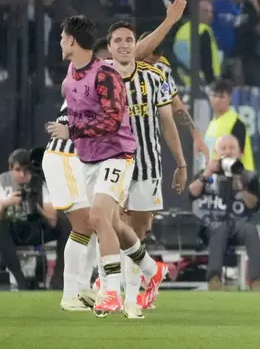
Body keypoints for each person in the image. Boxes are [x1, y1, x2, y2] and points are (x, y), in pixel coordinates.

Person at [46, 15, 167, 318]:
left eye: (63, 37)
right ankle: (151, 269)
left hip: (117, 156)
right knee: (111, 224)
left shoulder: (105, 75)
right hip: (88, 160)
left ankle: (110, 291)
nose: (61, 42)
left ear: (71, 41)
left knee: (97, 216)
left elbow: (112, 120)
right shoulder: (71, 73)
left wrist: (72, 131)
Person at [104, 21, 187, 319]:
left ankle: (130, 297)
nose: (124, 45)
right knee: (113, 224)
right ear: (110, 46)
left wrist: (181, 163)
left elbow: (167, 123)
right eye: (119, 41)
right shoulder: (99, 75)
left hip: (147, 166)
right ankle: (116, 293)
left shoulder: (155, 77)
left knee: (136, 232)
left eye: (129, 39)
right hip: (110, 164)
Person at [42, 99, 99, 311]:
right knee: (84, 225)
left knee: (97, 224)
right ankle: (69, 295)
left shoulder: (108, 77)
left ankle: (83, 287)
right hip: (65, 156)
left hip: (81, 159)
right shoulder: (89, 75)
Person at [188, 135, 260, 291]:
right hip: (211, 224)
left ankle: (257, 281)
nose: (228, 152)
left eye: (232, 148)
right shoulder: (207, 173)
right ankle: (214, 279)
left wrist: (242, 189)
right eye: (223, 148)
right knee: (219, 228)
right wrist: (207, 174)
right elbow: (191, 193)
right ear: (217, 152)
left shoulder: (249, 176)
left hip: (239, 224)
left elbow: (255, 204)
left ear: (240, 153)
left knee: (251, 229)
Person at [0, 149, 69, 291]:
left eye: (26, 170)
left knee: (65, 222)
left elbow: (53, 221)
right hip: (13, 229)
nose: (22, 175)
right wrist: (8, 202)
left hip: (35, 227)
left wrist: (37, 207)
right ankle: (21, 282)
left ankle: (58, 279)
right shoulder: (2, 180)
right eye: (17, 170)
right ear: (10, 169)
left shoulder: (40, 182)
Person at [138, 30, 211, 161]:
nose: (151, 66)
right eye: (148, 61)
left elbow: (176, 103)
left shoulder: (161, 68)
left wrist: (197, 137)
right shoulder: (122, 65)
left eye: (154, 62)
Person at [205, 79, 255, 171]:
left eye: (222, 97)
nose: (217, 100)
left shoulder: (236, 123)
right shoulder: (212, 123)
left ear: (229, 98)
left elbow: (236, 158)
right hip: (216, 179)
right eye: (214, 96)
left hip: (238, 179)